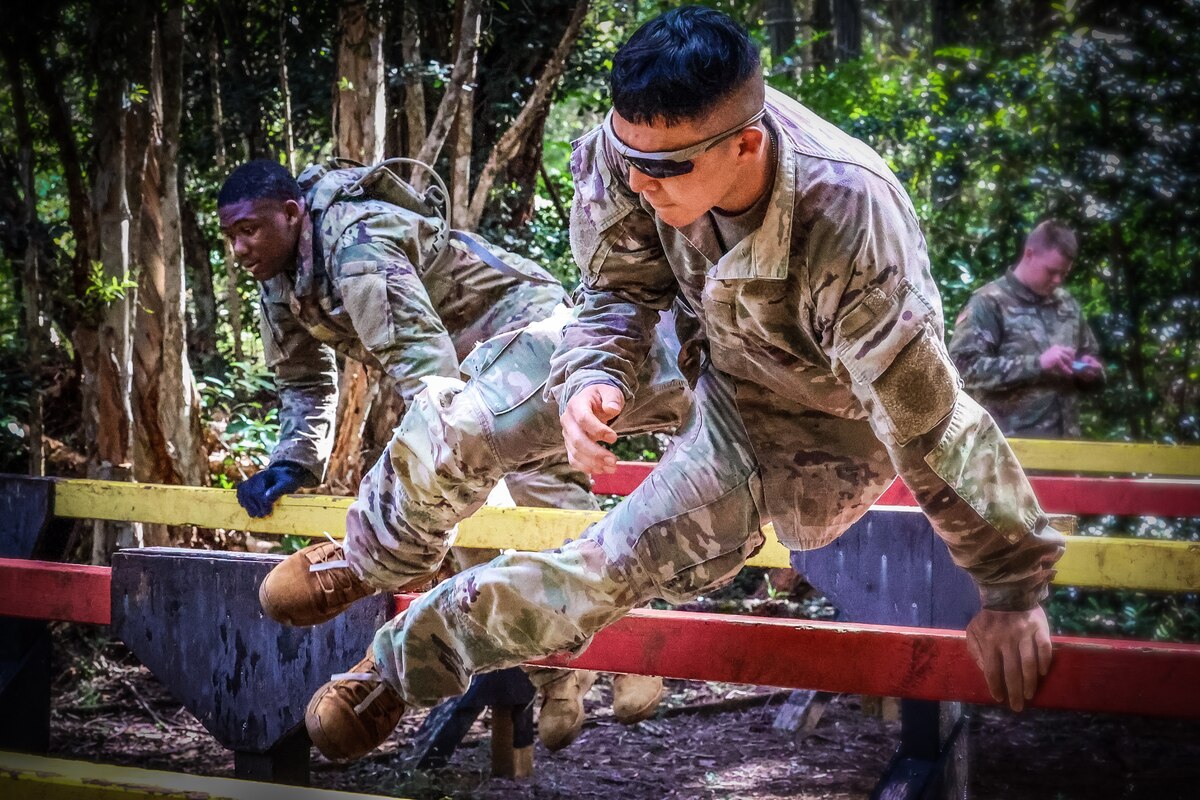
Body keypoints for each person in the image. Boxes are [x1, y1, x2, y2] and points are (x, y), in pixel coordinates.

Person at [273, 7, 1066, 763]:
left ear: (746, 147)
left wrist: (1010, 589)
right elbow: (615, 289)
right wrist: (591, 378)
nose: (641, 181)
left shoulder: (854, 230)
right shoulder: (629, 154)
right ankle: (372, 554)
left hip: (801, 415)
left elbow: (931, 427)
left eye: (664, 168)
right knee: (472, 411)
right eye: (629, 159)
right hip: (686, 329)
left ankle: (400, 666)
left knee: (612, 561)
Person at [217, 158, 668, 751]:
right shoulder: (280, 282)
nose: (239, 249)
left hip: (523, 333)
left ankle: (633, 652)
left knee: (535, 503)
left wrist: (425, 480)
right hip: (462, 366)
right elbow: (304, 381)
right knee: (483, 519)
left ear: (292, 213)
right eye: (229, 236)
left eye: (249, 229)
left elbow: (423, 369)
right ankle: (562, 675)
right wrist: (293, 459)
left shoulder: (357, 245)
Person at [949, 220, 1105, 437]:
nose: (1057, 280)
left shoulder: (1067, 304)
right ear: (1030, 254)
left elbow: (1089, 357)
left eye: (1064, 273)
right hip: (1008, 452)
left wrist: (1090, 371)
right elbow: (961, 370)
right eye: (1051, 271)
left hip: (1066, 450)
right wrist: (1037, 364)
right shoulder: (988, 302)